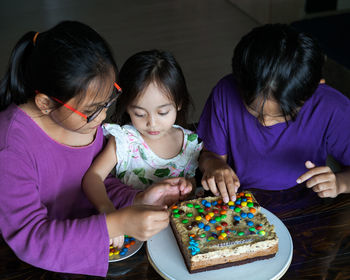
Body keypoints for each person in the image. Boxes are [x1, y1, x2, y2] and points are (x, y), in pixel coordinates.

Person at [0, 21, 192, 277]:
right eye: (91, 111)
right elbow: (31, 238)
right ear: (45, 103)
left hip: (92, 247)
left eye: (108, 102)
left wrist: (138, 199)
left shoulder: (83, 124)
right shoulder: (10, 146)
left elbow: (98, 182)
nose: (103, 117)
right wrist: (117, 223)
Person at [197, 24, 350, 204]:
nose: (266, 122)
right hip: (241, 203)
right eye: (254, 110)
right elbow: (209, 154)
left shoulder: (332, 107)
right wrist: (214, 165)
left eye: (282, 115)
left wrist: (340, 183)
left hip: (305, 205)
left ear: (313, 90)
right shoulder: (225, 93)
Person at [82, 50, 202, 246]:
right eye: (139, 114)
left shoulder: (189, 144)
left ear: (179, 103)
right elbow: (92, 178)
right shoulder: (125, 141)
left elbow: (189, 186)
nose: (152, 123)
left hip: (174, 238)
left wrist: (187, 187)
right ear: (127, 107)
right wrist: (107, 210)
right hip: (130, 237)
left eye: (163, 112)